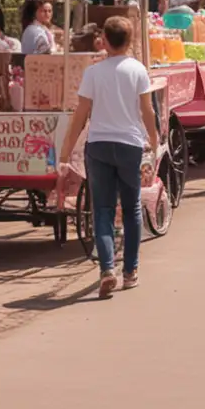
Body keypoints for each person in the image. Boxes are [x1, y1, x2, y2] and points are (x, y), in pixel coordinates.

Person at [59, 15, 160, 299]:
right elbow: (147, 111)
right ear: (129, 42)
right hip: (129, 145)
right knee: (131, 209)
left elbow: (80, 116)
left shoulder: (93, 73)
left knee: (101, 211)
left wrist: (65, 152)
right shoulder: (138, 70)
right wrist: (154, 140)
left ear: (104, 42)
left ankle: (106, 269)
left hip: (99, 145)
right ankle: (130, 271)